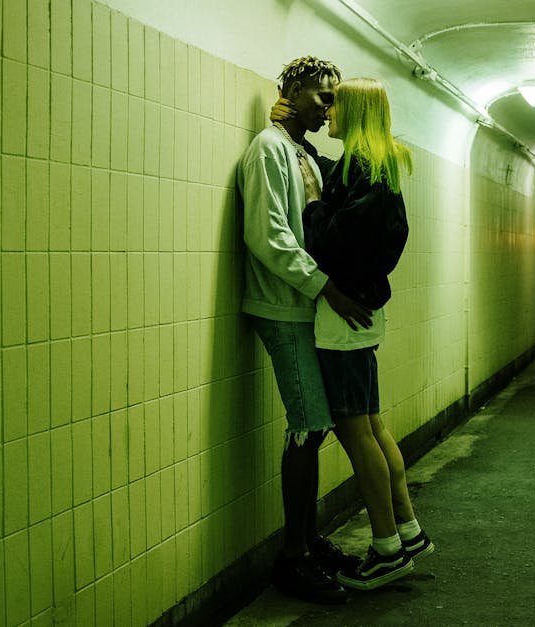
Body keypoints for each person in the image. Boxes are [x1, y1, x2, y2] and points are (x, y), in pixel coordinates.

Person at [285, 77, 435, 591]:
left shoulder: (364, 169)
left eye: (335, 105)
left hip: (346, 314)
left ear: (356, 112)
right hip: (366, 309)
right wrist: (301, 148)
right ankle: (408, 530)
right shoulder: (372, 166)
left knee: (355, 433)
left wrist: (310, 204)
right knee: (373, 425)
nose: (327, 113)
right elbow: (345, 196)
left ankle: (387, 548)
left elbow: (331, 237)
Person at [236, 56, 374, 604]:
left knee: (314, 428)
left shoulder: (303, 153)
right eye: (322, 98)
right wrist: (328, 289)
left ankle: (309, 541)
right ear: (292, 91)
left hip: (304, 304)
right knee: (309, 424)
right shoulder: (269, 150)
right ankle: (293, 557)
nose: (330, 108)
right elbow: (268, 236)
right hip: (283, 306)